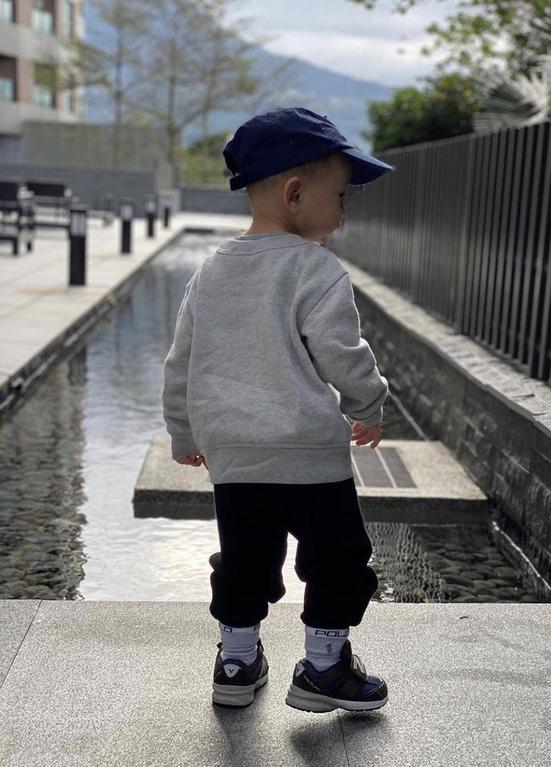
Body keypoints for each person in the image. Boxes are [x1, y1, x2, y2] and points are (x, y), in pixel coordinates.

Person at [162, 106, 395, 713]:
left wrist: (185, 431)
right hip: (309, 456)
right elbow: (344, 353)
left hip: (235, 457)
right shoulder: (316, 268)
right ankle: (323, 669)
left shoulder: (209, 271)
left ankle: (236, 663)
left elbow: (181, 361)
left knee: (244, 560)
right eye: (340, 196)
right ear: (295, 194)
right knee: (337, 558)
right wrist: (369, 403)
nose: (343, 211)